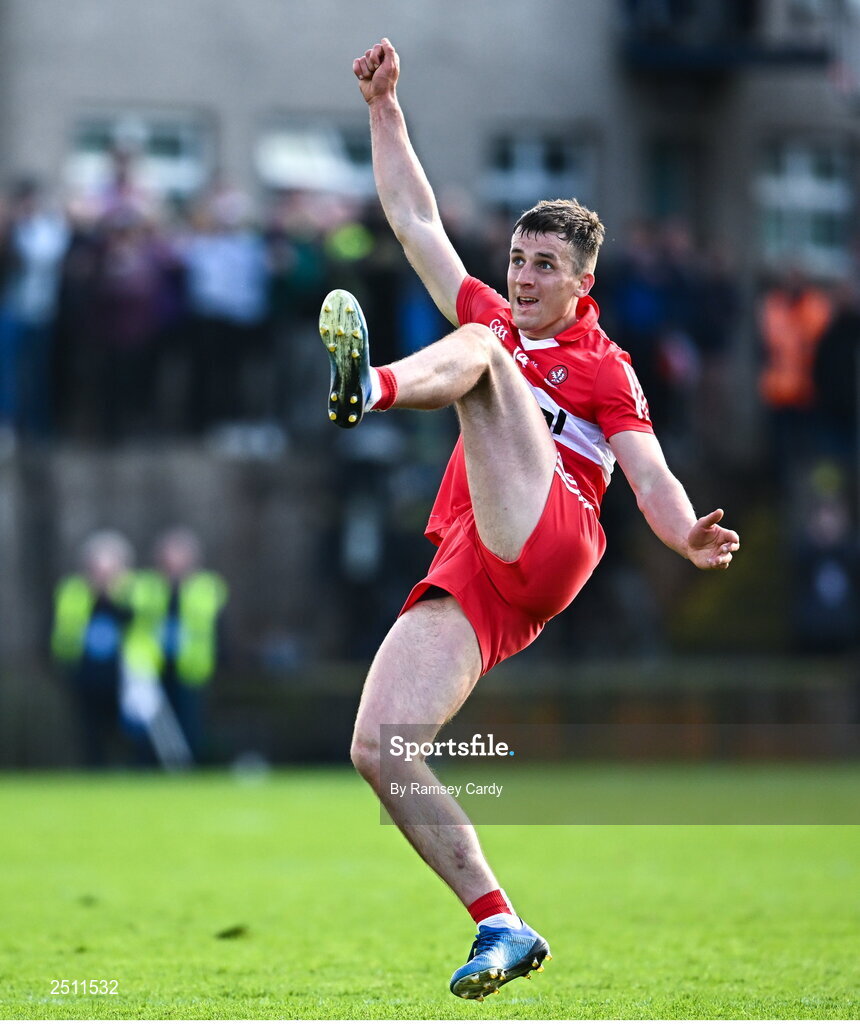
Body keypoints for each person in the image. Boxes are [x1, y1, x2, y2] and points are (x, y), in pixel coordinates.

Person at [324, 38, 740, 1002]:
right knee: (379, 746)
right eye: (516, 259)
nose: (520, 278)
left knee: (479, 351)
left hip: (554, 539)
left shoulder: (603, 364)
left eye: (543, 266)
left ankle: (369, 388)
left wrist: (682, 533)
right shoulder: (495, 318)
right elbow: (416, 219)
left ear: (580, 284)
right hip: (480, 563)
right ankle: (501, 923)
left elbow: (650, 471)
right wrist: (386, 108)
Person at [51, 530, 135, 767]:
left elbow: (134, 623)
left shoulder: (133, 593)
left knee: (126, 730)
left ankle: (131, 771)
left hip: (123, 677)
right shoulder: (73, 592)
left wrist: (113, 593)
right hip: (86, 675)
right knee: (89, 731)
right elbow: (61, 632)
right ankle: (94, 770)